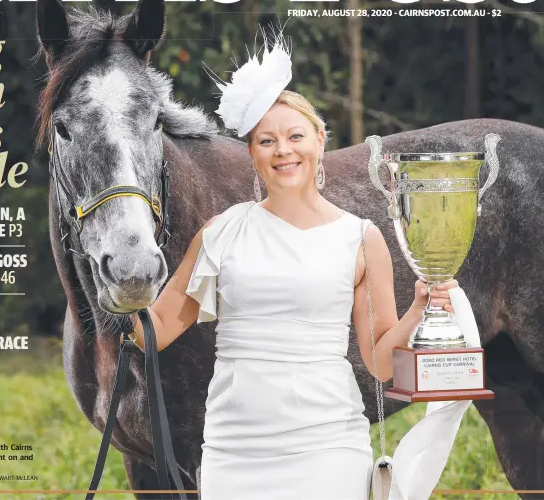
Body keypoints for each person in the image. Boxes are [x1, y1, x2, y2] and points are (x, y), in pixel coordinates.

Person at [127, 33, 458, 500]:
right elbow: (156, 327)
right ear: (252, 153)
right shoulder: (222, 232)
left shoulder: (362, 239)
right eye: (267, 140)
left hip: (329, 447)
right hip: (235, 449)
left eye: (295, 135)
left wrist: (418, 310)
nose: (283, 150)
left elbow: (380, 363)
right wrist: (118, 295)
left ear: (320, 140)